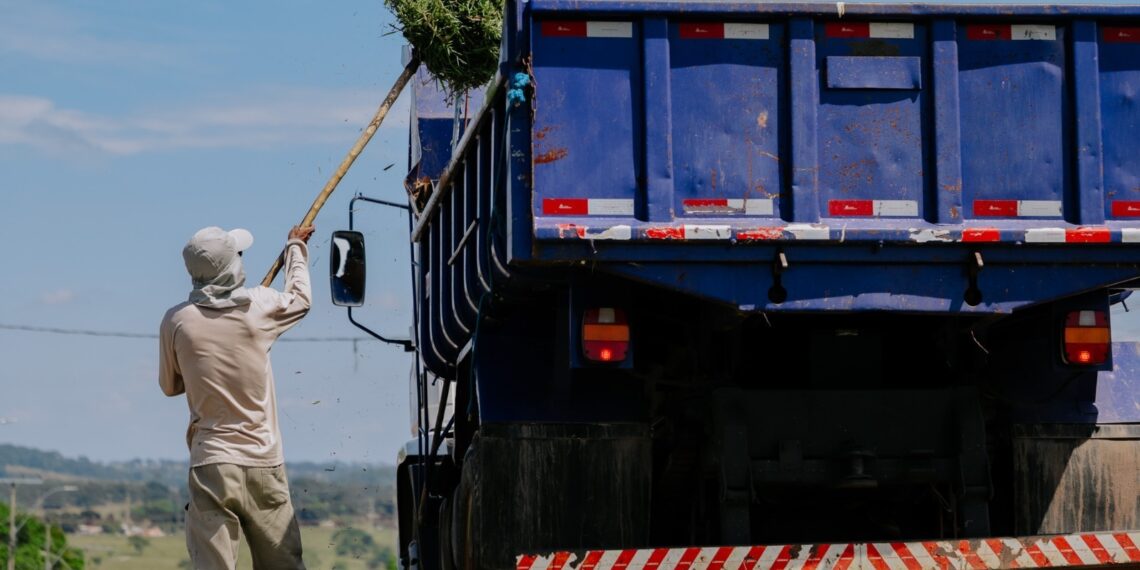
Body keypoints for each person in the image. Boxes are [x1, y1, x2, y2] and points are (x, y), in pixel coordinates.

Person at [159, 224, 315, 570]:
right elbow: (301, 299)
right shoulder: (260, 305)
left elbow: (170, 386)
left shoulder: (176, 320)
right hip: (262, 460)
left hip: (211, 463)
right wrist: (295, 249)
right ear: (233, 267)